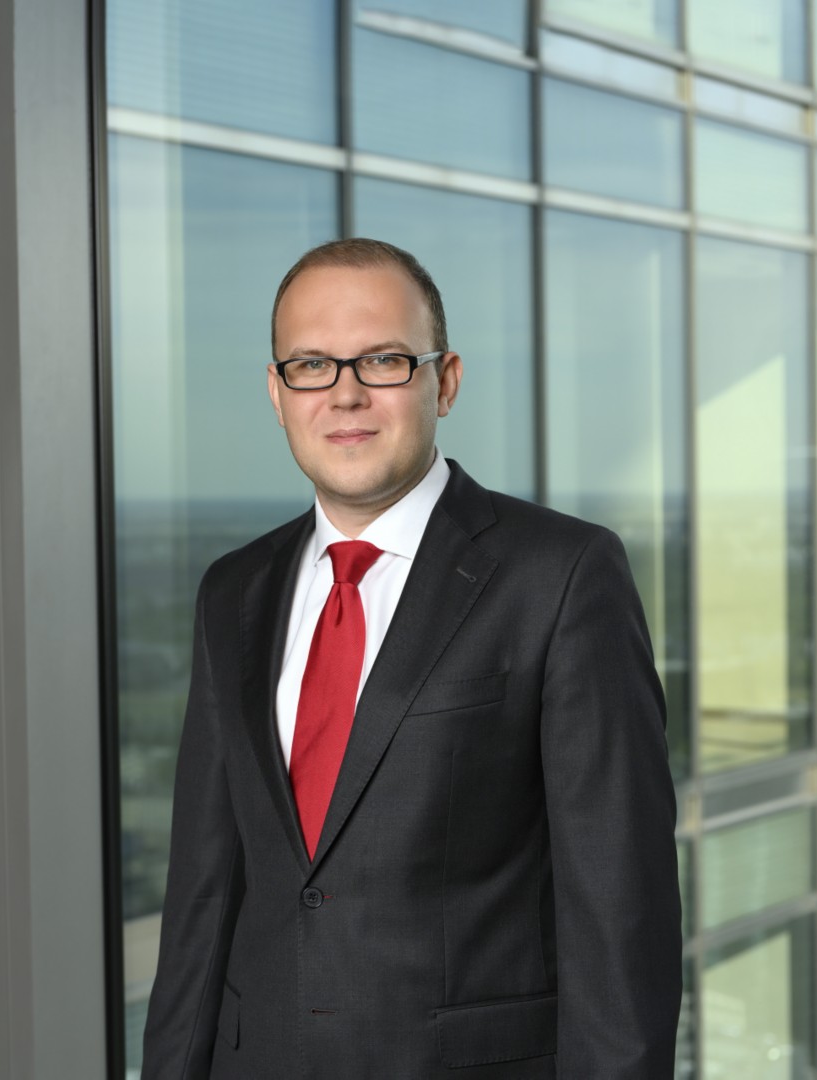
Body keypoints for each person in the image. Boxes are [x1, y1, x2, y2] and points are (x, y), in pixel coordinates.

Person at [140, 238, 680, 1079]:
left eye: (383, 360)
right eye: (310, 365)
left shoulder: (561, 576)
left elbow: (620, 907)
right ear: (277, 393)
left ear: (445, 380)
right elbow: (202, 895)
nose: (344, 392)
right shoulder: (233, 591)